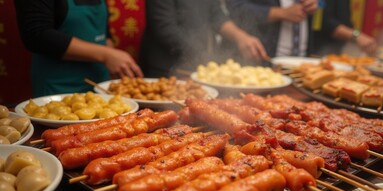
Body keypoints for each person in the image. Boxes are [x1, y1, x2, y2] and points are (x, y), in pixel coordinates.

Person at [14, 0, 143, 98]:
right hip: (59, 89)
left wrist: (117, 65)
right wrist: (106, 55)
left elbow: (103, 33)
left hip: (101, 86)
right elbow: (37, 35)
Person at [139, 0, 268, 78]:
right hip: (166, 70)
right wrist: (205, 57)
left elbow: (217, 16)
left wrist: (240, 36)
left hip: (196, 67)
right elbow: (165, 28)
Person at [225, 0, 318, 59]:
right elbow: (235, 8)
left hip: (303, 62)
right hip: (264, 61)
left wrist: (312, 4)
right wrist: (281, 13)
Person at [310, 0, 378, 56]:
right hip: (319, 50)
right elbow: (324, 22)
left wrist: (357, 34)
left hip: (337, 50)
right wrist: (357, 36)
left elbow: (346, 22)